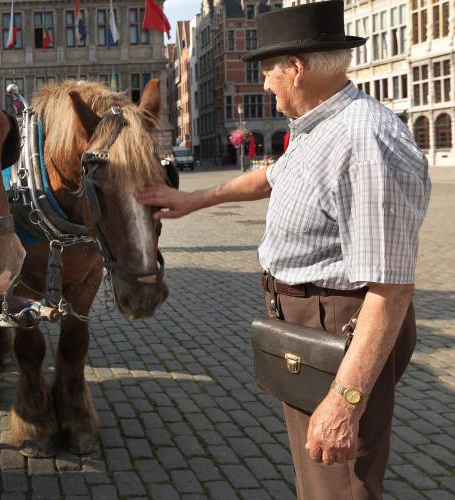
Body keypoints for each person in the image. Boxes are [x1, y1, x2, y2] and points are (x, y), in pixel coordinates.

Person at [135, 2, 431, 499]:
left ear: (296, 69)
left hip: (338, 331)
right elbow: (271, 178)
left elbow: (392, 290)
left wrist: (345, 400)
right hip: (308, 330)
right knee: (314, 478)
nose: (266, 85)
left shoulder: (364, 140)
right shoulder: (317, 129)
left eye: (269, 72)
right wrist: (194, 200)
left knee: (338, 484)